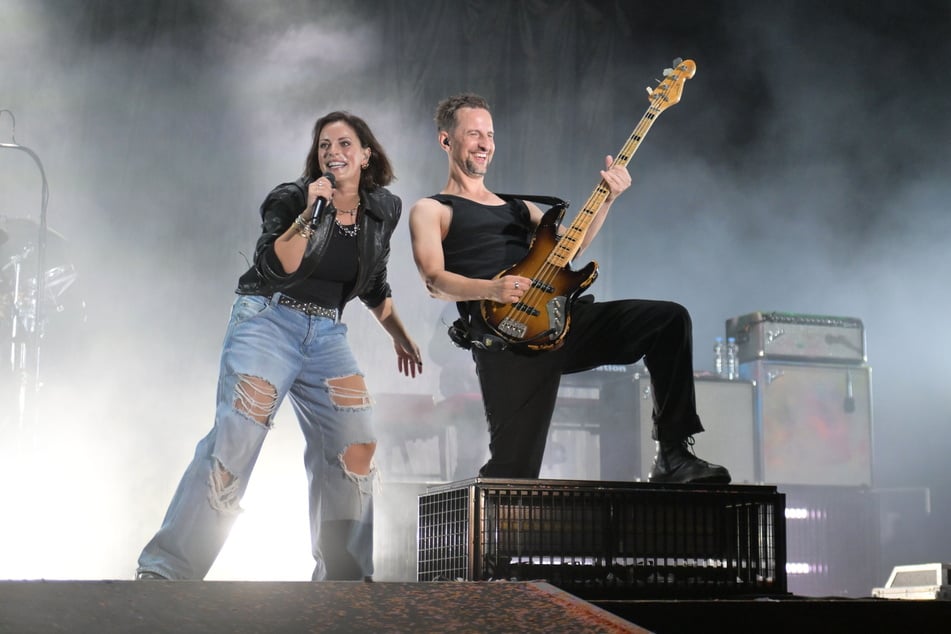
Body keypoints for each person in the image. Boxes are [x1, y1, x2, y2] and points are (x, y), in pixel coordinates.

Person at [136, 111, 423, 581]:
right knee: (236, 438)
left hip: (327, 334)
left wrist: (400, 335)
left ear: (367, 154)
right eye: (324, 145)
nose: (334, 152)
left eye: (345, 143)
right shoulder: (291, 199)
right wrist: (311, 213)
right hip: (269, 318)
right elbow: (276, 266)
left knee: (357, 447)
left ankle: (343, 583)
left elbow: (373, 282)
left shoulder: (383, 209)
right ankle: (168, 573)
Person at [408, 93, 729, 484]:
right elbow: (433, 280)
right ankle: (481, 539)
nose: (484, 143)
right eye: (473, 134)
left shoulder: (522, 208)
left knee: (668, 320)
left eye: (489, 134)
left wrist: (608, 199)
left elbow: (568, 250)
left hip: (562, 321)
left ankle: (673, 454)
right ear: (447, 141)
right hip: (506, 341)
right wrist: (491, 289)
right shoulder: (432, 209)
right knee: (514, 474)